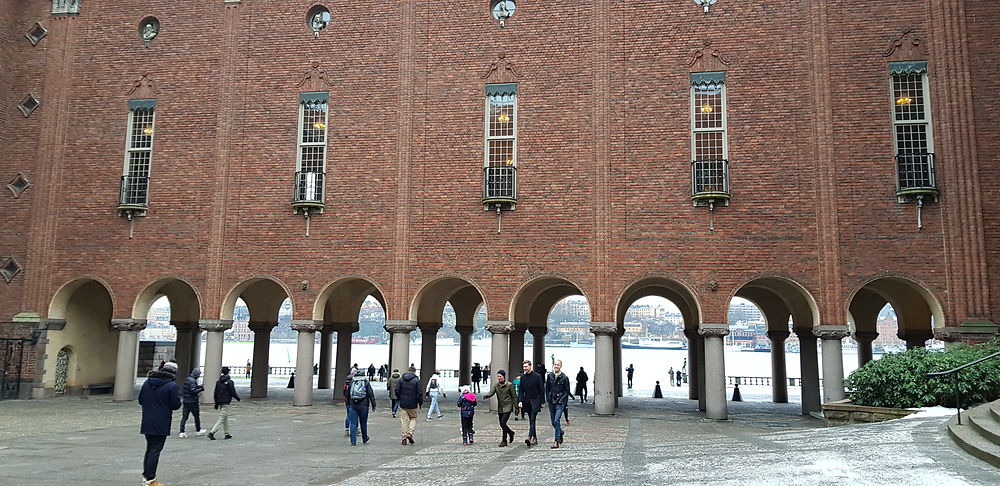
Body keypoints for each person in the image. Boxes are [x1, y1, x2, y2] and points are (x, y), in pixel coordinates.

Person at [138, 360, 181, 486]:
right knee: (156, 450)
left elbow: (141, 400)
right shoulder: (172, 386)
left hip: (147, 420)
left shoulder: (147, 382)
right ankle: (151, 479)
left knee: (149, 449)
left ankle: (146, 476)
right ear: (173, 373)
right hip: (161, 421)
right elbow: (175, 405)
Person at [482, 369, 517, 446]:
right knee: (502, 424)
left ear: (504, 376)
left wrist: (516, 407)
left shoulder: (509, 385)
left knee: (503, 423)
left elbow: (514, 396)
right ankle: (511, 433)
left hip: (508, 406)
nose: (499, 378)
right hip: (500, 407)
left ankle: (504, 440)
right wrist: (487, 396)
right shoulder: (496, 385)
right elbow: (492, 392)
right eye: (498, 376)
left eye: (500, 376)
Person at [208, 366, 240, 440]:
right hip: (226, 402)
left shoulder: (218, 382)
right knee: (222, 418)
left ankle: (227, 433)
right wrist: (237, 398)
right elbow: (232, 392)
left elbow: (215, 393)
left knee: (225, 417)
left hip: (220, 401)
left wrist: (216, 403)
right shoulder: (230, 382)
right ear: (228, 372)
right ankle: (212, 432)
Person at [518, 359, 544, 447]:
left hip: (536, 400)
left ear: (530, 366)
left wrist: (542, 402)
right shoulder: (523, 377)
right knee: (531, 420)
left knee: (532, 419)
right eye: (523, 367)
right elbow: (521, 390)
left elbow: (541, 389)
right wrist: (520, 401)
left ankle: (529, 437)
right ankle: (535, 437)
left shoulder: (537, 376)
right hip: (527, 401)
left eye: (526, 366)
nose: (524, 368)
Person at [347, 368, 376, 446]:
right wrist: (373, 404)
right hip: (364, 405)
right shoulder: (366, 382)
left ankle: (353, 441)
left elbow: (347, 394)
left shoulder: (352, 382)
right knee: (363, 423)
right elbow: (370, 394)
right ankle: (364, 438)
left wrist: (348, 403)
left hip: (353, 405)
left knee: (353, 423)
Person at [395, 365, 423, 445]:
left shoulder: (401, 379)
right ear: (414, 371)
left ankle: (404, 437)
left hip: (403, 403)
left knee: (404, 420)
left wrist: (399, 398)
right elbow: (420, 393)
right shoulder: (416, 380)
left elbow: (397, 390)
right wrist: (420, 403)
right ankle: (410, 433)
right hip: (413, 403)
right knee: (413, 418)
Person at [545, 359, 570, 448]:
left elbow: (567, 391)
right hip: (551, 401)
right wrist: (548, 398)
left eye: (558, 365)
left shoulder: (565, 378)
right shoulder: (550, 376)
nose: (556, 366)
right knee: (553, 422)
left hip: (560, 401)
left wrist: (562, 400)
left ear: (561, 366)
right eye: (555, 364)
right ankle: (561, 432)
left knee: (556, 420)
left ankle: (556, 440)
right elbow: (547, 388)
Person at [178, 368, 206, 438]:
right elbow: (193, 391)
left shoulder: (188, 379)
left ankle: (182, 431)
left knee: (184, 417)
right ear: (196, 374)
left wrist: (198, 386)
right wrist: (201, 389)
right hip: (192, 401)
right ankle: (198, 430)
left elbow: (190, 388)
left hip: (186, 401)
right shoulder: (193, 381)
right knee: (196, 416)